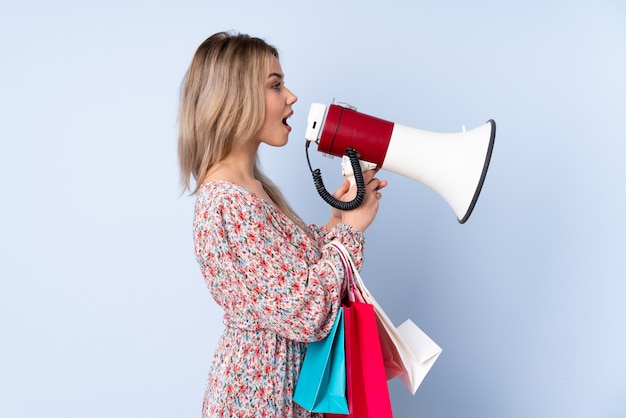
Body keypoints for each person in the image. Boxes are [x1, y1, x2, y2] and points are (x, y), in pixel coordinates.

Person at [177, 31, 387, 417]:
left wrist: (339, 217)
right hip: (260, 399)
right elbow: (306, 311)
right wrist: (350, 231)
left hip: (282, 388)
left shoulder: (252, 190)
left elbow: (290, 279)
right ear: (235, 98)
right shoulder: (228, 202)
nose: (291, 97)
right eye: (276, 86)